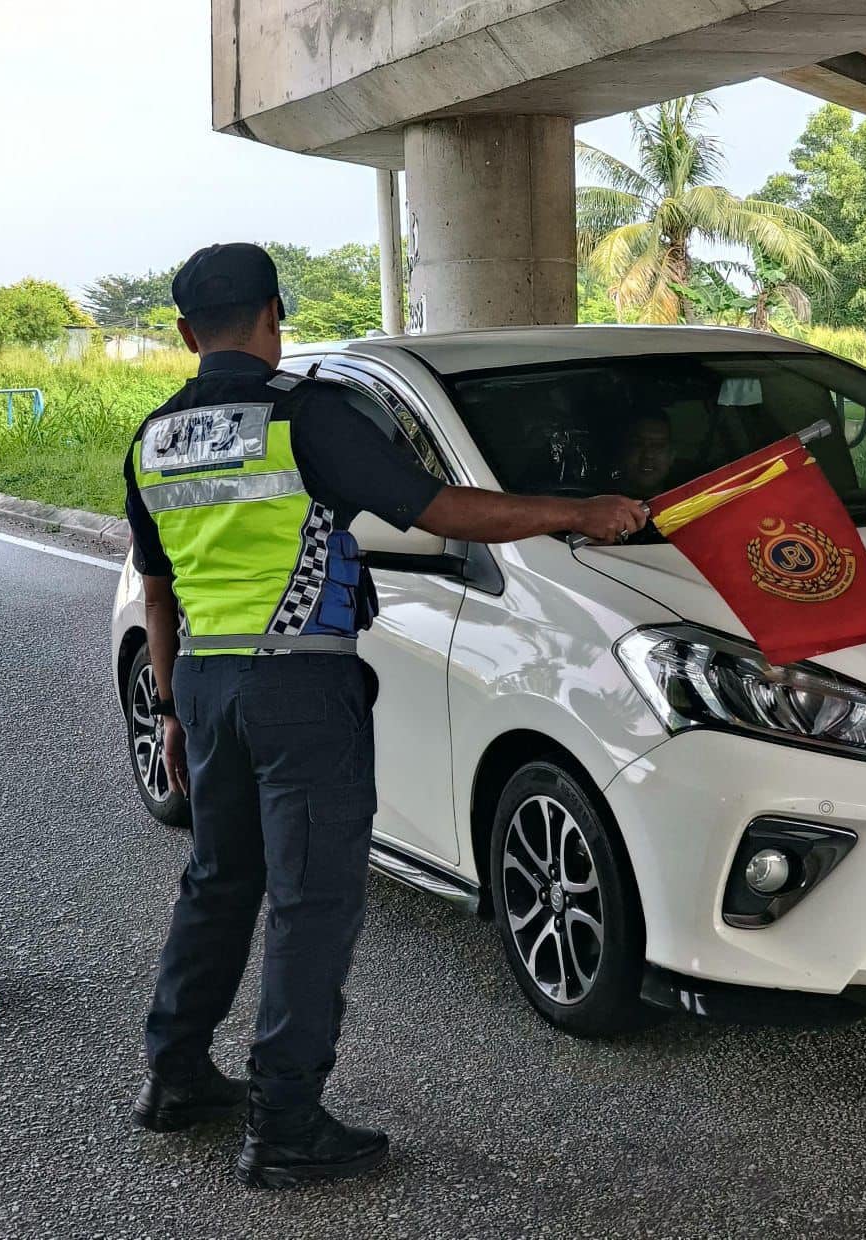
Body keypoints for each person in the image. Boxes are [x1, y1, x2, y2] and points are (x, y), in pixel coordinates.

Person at [122, 242, 647, 1190]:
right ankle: (285, 1122)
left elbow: (157, 593)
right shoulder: (305, 417)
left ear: (187, 333)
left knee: (218, 881)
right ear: (274, 313)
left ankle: (177, 1076)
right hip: (298, 686)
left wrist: (168, 708)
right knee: (311, 902)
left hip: (204, 681)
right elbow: (440, 510)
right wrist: (578, 512)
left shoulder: (154, 438)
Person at [611, 411, 676, 499]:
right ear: (623, 451)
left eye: (658, 445)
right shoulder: (597, 505)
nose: (648, 455)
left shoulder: (687, 502)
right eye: (638, 444)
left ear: (671, 456)